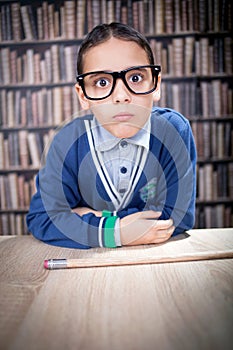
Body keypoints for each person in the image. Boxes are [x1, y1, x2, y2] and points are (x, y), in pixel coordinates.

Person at [27, 22, 196, 249]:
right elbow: (43, 218)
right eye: (102, 82)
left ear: (156, 84)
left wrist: (94, 218)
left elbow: (179, 216)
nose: (121, 96)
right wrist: (116, 232)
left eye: (135, 78)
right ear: (83, 95)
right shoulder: (67, 142)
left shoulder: (174, 130)